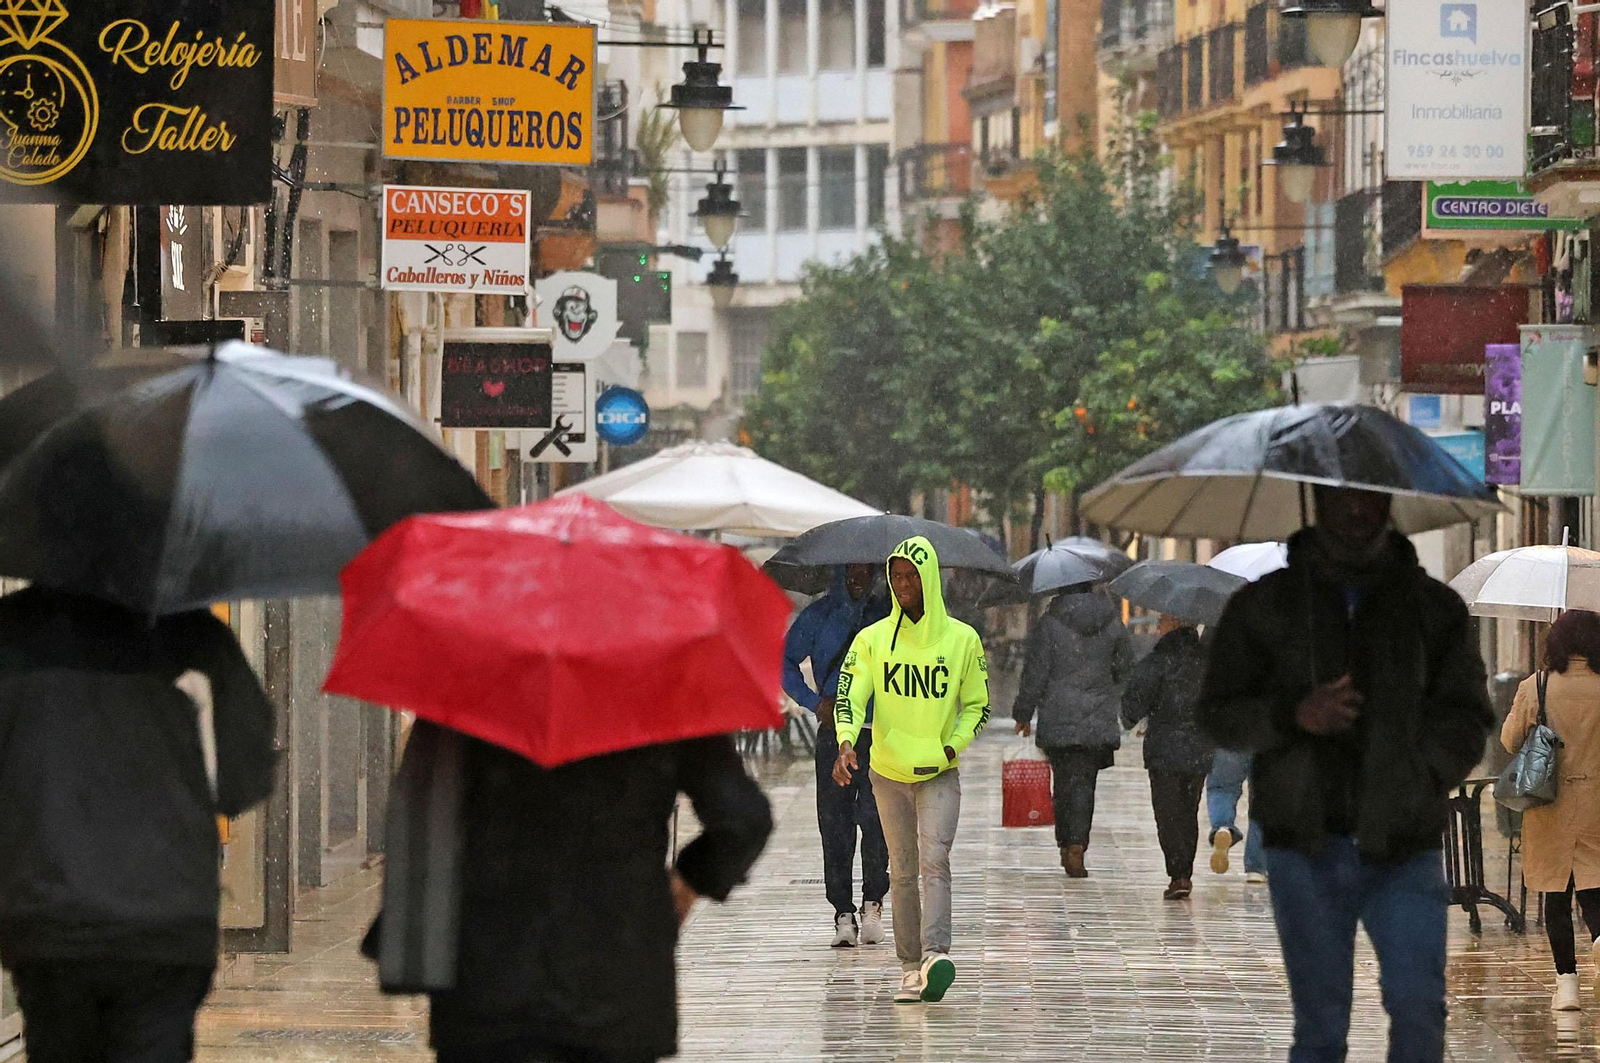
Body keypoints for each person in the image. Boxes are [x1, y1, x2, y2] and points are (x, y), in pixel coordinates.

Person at [1200, 486, 1492, 1063]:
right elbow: (1219, 712)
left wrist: (1420, 773)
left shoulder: (1432, 608)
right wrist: (1295, 714)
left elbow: (1467, 717)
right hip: (1304, 845)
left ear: (1390, 505)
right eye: (1342, 499)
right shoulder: (1266, 606)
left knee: (1418, 1012)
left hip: (1404, 846)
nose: (1357, 512)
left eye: (1371, 499)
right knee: (1320, 1027)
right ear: (1315, 502)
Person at [0, 586, 277, 1063]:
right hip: (165, 917)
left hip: (47, 915)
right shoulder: (194, 636)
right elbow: (242, 779)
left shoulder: (11, 631)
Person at [410, 729, 773, 1063]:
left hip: (487, 977)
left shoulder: (471, 683)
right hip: (617, 976)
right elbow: (743, 818)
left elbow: (419, 818)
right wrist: (687, 882)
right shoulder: (659, 685)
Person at [832, 536, 989, 1005]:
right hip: (886, 772)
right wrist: (845, 741)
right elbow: (850, 694)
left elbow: (978, 706)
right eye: (896, 576)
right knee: (901, 870)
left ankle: (935, 955)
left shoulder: (963, 639)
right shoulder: (873, 639)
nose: (902, 585)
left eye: (911, 577)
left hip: (939, 771)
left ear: (929, 580)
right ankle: (908, 966)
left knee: (933, 860)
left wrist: (950, 746)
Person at [782, 563, 891, 947]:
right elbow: (785, 662)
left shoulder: (888, 614)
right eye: (852, 570)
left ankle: (874, 901)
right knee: (835, 824)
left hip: (881, 734)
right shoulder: (819, 616)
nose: (858, 577)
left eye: (866, 570)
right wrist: (814, 702)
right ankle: (842, 911)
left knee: (878, 821)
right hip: (833, 735)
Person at [1501, 609, 1600, 1013]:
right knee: (1595, 885)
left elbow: (1509, 741)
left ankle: (1568, 988)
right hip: (1597, 802)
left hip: (1549, 803)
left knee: (1556, 895)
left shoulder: (1536, 686)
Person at [1011, 587, 1135, 878]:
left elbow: (1036, 672)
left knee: (1064, 783)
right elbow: (1125, 668)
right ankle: (1078, 842)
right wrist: (1110, 693)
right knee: (1084, 785)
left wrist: (1023, 712)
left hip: (1059, 717)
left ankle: (1067, 841)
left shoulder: (1050, 624)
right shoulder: (1112, 622)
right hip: (1096, 721)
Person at [1120, 615, 1214, 900]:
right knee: (1188, 809)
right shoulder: (1208, 660)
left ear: (1174, 625)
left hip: (1165, 748)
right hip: (1200, 746)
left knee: (1168, 811)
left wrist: (1132, 717)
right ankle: (1183, 870)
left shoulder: (1159, 659)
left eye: (1162, 621)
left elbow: (1135, 698)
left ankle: (1179, 874)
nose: (1158, 626)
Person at [1207, 748, 1268, 883]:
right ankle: (1256, 867)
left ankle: (1222, 827)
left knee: (1222, 789)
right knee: (1263, 799)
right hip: (1267, 738)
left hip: (1230, 738)